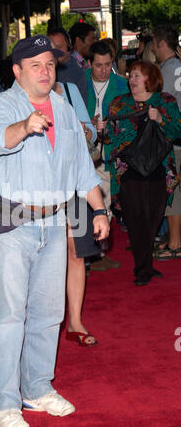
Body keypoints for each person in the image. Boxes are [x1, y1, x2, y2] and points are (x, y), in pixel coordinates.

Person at [0, 34, 109, 427]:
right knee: (8, 315)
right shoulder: (0, 106)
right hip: (10, 220)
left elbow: (81, 169)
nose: (45, 71)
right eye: (35, 65)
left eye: (50, 64)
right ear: (17, 72)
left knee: (50, 312)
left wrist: (99, 208)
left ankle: (36, 388)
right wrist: (25, 125)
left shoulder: (65, 109)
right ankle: (4, 404)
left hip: (55, 221)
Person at [98, 60, 181, 286]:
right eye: (131, 75)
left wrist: (160, 119)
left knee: (153, 219)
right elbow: (109, 140)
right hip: (128, 172)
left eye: (136, 76)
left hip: (159, 170)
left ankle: (145, 263)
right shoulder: (119, 105)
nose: (131, 80)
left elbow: (177, 131)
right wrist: (102, 131)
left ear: (150, 79)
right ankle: (143, 269)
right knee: (136, 221)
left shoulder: (164, 102)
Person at [53, 80, 100, 346]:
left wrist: (84, 130)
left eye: (50, 63)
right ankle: (43, 323)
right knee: (46, 254)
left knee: (76, 252)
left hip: (74, 183)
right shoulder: (19, 96)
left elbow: (91, 134)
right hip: (41, 191)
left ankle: (75, 321)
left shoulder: (69, 91)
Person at [86, 41, 129, 271]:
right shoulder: (79, 82)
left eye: (108, 65)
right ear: (89, 63)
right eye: (98, 65)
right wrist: (88, 124)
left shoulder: (121, 84)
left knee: (105, 201)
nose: (103, 70)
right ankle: (87, 253)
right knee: (82, 202)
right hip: (84, 150)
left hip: (110, 152)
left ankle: (99, 252)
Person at [151, 25, 181, 260]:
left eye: (154, 43)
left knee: (174, 192)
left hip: (175, 138)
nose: (152, 47)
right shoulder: (177, 66)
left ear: (162, 43)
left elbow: (161, 103)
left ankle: (175, 243)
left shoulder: (169, 69)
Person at [48, 27, 88, 105]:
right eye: (50, 48)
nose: (55, 51)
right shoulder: (48, 69)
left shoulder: (75, 73)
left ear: (69, 47)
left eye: (59, 47)